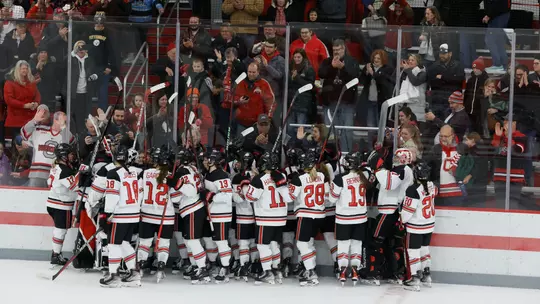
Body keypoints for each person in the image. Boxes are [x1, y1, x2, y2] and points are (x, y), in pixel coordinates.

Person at [367, 147, 415, 283]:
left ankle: (374, 272)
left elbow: (389, 184)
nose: (394, 160)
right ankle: (395, 272)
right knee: (391, 243)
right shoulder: (402, 170)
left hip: (389, 211)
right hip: (394, 211)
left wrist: (378, 168)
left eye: (397, 157)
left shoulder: (403, 169)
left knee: (375, 241)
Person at [100, 145, 143, 287]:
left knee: (113, 244)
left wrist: (106, 215)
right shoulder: (136, 172)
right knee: (124, 243)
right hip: (134, 214)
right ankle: (134, 273)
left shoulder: (113, 173)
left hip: (120, 215)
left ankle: (114, 276)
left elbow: (112, 197)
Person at [285, 149, 327, 286]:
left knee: (302, 244)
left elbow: (289, 197)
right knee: (308, 243)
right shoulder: (321, 175)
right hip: (320, 215)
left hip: (305, 215)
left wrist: (284, 185)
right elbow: (326, 194)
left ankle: (310, 271)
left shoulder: (299, 178)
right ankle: (309, 268)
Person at [244, 152, 287, 284]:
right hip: (280, 217)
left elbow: (249, 197)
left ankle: (267, 272)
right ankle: (276, 270)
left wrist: (248, 183)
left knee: (263, 245)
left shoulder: (259, 179)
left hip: (265, 217)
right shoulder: (282, 176)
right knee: (275, 244)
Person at [328, 151, 370, 286]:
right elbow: (368, 169)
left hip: (344, 218)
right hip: (360, 218)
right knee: (357, 245)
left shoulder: (340, 179)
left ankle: (342, 271)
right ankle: (355, 270)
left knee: (343, 245)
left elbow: (332, 199)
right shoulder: (365, 176)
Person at [137, 147, 175, 283]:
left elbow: (139, 191)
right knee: (163, 243)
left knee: (144, 243)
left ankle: (140, 266)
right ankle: (160, 267)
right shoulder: (170, 174)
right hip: (165, 216)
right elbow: (176, 197)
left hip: (147, 213)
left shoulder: (145, 173)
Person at [319, 39, 359, 152]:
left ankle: (346, 156)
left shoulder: (352, 61)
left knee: (346, 130)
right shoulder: (327, 61)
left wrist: (342, 68)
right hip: (330, 101)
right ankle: (333, 155)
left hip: (347, 102)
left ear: (343, 48)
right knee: (331, 131)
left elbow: (355, 77)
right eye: (334, 50)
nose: (336, 52)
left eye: (338, 49)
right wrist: (332, 67)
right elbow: (321, 73)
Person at [401, 160, 436, 291]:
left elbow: (406, 213)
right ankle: (427, 275)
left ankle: (415, 279)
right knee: (424, 249)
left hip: (415, 226)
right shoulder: (432, 185)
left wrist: (402, 220)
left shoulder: (412, 189)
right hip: (429, 225)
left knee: (413, 252)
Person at [22, 107, 75, 188]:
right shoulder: (39, 130)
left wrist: (63, 127)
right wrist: (34, 120)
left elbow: (71, 141)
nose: (64, 123)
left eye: (65, 121)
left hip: (56, 175)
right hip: (37, 174)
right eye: (63, 120)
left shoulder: (65, 135)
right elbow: (24, 132)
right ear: (55, 120)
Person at [203, 149, 234, 283]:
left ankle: (225, 267)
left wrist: (212, 196)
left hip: (221, 214)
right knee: (208, 240)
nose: (204, 161)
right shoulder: (207, 174)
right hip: (210, 214)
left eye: (206, 159)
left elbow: (227, 195)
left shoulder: (222, 175)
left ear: (212, 161)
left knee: (221, 242)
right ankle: (213, 263)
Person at [46, 143, 79, 266]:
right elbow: (76, 187)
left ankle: (56, 253)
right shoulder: (65, 171)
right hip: (61, 205)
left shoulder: (56, 167)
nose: (73, 156)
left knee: (59, 230)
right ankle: (55, 255)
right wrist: (82, 175)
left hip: (52, 202)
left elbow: (49, 181)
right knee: (60, 230)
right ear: (64, 155)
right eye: (70, 154)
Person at [231, 151, 258, 280]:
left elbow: (238, 199)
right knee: (247, 243)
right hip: (247, 216)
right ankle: (246, 265)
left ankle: (249, 265)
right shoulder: (238, 178)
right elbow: (236, 198)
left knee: (249, 243)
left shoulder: (256, 177)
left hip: (252, 216)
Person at [491, 115, 529, 210]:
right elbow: (493, 151)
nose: (505, 123)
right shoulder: (500, 135)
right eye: (504, 121)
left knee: (513, 205)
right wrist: (497, 137)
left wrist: (508, 137)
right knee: (499, 205)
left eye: (507, 121)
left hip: (515, 177)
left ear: (514, 123)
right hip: (500, 176)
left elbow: (517, 150)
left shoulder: (522, 137)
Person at [65, 40, 99, 136]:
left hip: (85, 91)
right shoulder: (71, 59)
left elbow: (94, 71)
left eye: (83, 47)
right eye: (79, 47)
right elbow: (63, 66)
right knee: (71, 114)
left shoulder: (90, 59)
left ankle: (81, 134)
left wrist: (94, 75)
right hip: (72, 92)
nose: (81, 49)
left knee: (83, 114)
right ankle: (71, 134)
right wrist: (73, 53)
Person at [358, 49, 394, 139]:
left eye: (378, 58)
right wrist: (366, 73)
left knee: (380, 126)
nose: (376, 60)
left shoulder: (388, 69)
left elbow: (383, 82)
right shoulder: (369, 67)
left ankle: (380, 147)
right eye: (375, 57)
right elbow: (361, 81)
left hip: (381, 103)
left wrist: (373, 73)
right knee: (370, 127)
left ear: (383, 59)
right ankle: (371, 148)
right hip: (370, 101)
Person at [424, 124, 462, 206]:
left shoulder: (460, 149)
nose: (443, 139)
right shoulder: (435, 149)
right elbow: (427, 166)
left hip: (456, 193)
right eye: (441, 136)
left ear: (452, 136)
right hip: (438, 192)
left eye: (446, 136)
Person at [233, 62, 275, 135]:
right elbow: (233, 99)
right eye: (249, 72)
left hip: (257, 123)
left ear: (258, 72)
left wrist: (268, 119)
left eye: (253, 72)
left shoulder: (264, 84)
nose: (251, 74)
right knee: (239, 144)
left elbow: (271, 102)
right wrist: (239, 101)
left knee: (256, 145)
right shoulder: (240, 83)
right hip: (241, 122)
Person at [4, 60, 41, 139]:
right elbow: (9, 100)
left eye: (26, 69)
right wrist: (24, 105)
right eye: (23, 69)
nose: (25, 70)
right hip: (16, 118)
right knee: (19, 144)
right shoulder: (10, 83)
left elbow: (37, 95)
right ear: (18, 70)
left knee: (30, 143)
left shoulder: (31, 82)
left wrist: (36, 103)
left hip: (30, 118)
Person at [87, 11, 116, 111]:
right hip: (90, 67)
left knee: (102, 93)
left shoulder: (109, 33)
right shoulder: (89, 32)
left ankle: (102, 115)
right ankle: (88, 115)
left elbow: (112, 51)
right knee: (88, 91)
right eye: (97, 20)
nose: (99, 23)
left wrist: (109, 66)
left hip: (103, 67)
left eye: (101, 21)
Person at [427, 43, 465, 118]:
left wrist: (443, 77)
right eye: (440, 53)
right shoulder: (434, 66)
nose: (442, 55)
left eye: (444, 53)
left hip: (452, 101)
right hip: (438, 100)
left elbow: (458, 80)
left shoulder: (458, 65)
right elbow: (432, 82)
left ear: (450, 54)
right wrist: (450, 78)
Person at [379, 0, 413, 66]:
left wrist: (401, 1)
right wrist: (389, 1)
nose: (398, 9)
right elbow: (381, 11)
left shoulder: (407, 17)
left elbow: (410, 12)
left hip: (402, 49)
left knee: (402, 70)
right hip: (389, 49)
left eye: (401, 7)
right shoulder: (390, 14)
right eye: (397, 7)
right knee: (389, 70)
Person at [288, 48, 315, 131]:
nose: (296, 59)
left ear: (303, 57)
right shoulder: (290, 67)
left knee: (301, 127)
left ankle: (301, 143)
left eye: (299, 57)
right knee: (290, 128)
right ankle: (290, 144)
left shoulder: (308, 68)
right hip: (292, 101)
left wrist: (297, 78)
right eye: (295, 57)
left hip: (303, 102)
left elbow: (310, 85)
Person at [483, 0, 510, 72]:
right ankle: (504, 65)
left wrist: (489, 15)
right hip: (502, 14)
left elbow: (496, 2)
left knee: (489, 40)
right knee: (499, 41)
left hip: (497, 16)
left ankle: (497, 64)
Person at [399, 54, 427, 123]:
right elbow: (395, 81)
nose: (410, 61)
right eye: (409, 60)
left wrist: (408, 70)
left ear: (418, 62)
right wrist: (400, 69)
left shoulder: (422, 72)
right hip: (407, 103)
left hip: (417, 104)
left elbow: (415, 82)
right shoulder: (407, 72)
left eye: (412, 60)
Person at [464, 58, 489, 134]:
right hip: (469, 110)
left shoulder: (486, 80)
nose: (475, 70)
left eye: (477, 68)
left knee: (479, 130)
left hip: (480, 111)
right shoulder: (471, 80)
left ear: (481, 69)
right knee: (470, 130)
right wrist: (465, 105)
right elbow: (466, 93)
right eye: (474, 68)